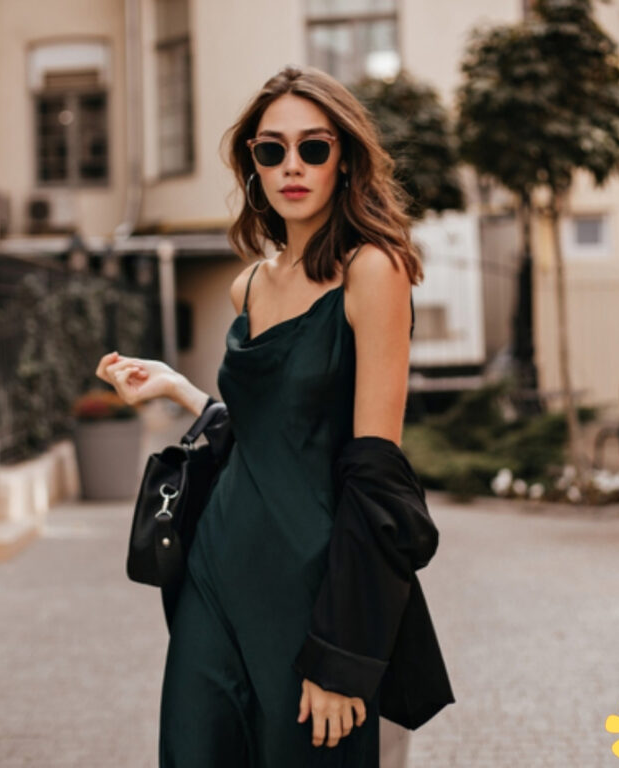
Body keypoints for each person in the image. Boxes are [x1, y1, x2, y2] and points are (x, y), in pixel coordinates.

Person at [96, 64, 427, 768]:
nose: (292, 166)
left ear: (346, 158)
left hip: (313, 586)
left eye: (314, 147)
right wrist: (179, 389)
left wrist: (342, 653)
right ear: (252, 163)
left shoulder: (375, 269)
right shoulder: (249, 282)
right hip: (215, 573)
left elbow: (378, 473)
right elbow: (264, 428)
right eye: (271, 150)